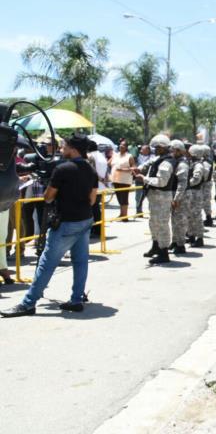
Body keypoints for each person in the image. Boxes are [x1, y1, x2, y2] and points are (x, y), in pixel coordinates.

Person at [1, 134, 98, 317]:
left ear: (73, 149)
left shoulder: (62, 169)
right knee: (80, 261)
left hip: (66, 223)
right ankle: (77, 299)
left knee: (46, 264)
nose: (62, 149)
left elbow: (48, 197)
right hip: (85, 220)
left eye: (64, 146)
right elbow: (92, 199)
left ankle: (28, 304)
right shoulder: (90, 170)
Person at [135, 135, 176, 265]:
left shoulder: (167, 162)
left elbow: (162, 182)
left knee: (162, 224)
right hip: (155, 197)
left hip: (162, 196)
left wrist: (144, 179)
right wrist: (140, 169)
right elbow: (150, 164)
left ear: (164, 148)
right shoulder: (160, 159)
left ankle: (164, 252)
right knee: (154, 223)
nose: (155, 149)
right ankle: (156, 246)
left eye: (157, 147)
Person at [168, 140, 190, 255]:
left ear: (178, 151)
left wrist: (177, 198)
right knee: (174, 220)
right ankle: (175, 241)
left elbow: (182, 183)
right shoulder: (175, 162)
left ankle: (181, 245)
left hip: (181, 196)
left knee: (180, 221)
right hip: (174, 194)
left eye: (172, 150)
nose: (170, 152)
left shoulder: (182, 164)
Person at [186, 144, 208, 247]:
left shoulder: (198, 165)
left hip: (196, 192)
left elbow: (196, 179)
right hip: (191, 191)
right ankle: (191, 236)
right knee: (189, 215)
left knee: (196, 216)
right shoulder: (192, 163)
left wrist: (186, 184)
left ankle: (199, 238)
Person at [109, 140, 136, 221]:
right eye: (120, 145)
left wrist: (123, 169)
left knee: (124, 198)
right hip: (115, 179)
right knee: (119, 197)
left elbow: (134, 167)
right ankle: (121, 214)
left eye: (123, 145)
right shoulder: (115, 155)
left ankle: (125, 216)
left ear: (126, 147)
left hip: (125, 180)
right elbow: (109, 163)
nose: (121, 146)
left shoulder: (129, 156)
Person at [135, 145, 152, 215]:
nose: (141, 150)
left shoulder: (152, 158)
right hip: (139, 180)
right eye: (141, 149)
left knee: (149, 196)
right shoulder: (137, 157)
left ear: (148, 150)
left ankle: (152, 211)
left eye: (143, 149)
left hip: (148, 180)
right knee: (138, 196)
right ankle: (138, 211)